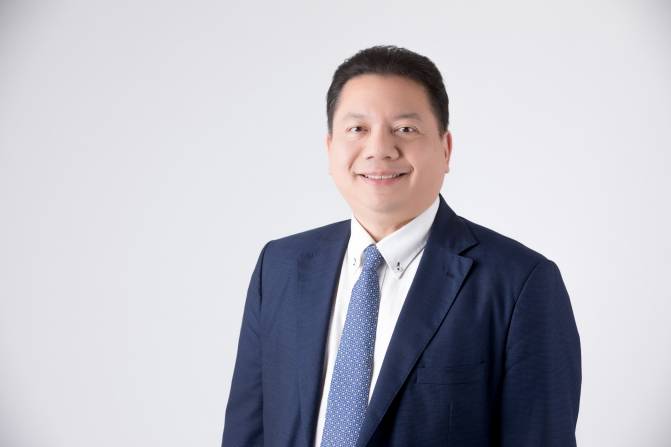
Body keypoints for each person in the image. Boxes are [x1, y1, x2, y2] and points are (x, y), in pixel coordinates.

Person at [222, 45, 581, 447]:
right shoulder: (280, 267)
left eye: (405, 129)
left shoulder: (520, 283)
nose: (380, 149)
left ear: (445, 149)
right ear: (330, 149)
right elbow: (246, 433)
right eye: (357, 129)